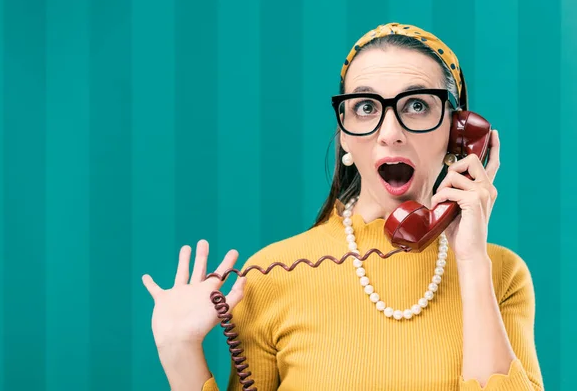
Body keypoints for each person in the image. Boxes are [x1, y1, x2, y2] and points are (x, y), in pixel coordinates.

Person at [142, 23, 544, 390]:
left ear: (457, 134)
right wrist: (179, 352)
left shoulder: (502, 275)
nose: (390, 134)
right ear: (344, 138)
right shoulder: (268, 278)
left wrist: (472, 261)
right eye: (366, 108)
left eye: (417, 105)